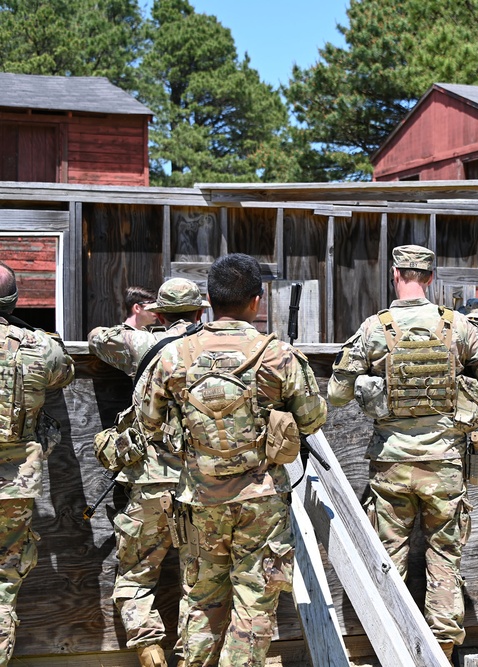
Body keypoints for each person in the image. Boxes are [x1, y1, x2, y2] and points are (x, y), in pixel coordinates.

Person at [137, 254, 328, 667]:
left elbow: (147, 424)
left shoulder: (174, 355)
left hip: (199, 500)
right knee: (255, 603)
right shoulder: (277, 355)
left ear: (208, 298)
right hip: (261, 501)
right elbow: (312, 418)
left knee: (202, 599)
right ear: (257, 301)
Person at [328, 245, 478, 662]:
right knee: (445, 556)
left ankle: (387, 647)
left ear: (396, 274)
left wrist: (372, 380)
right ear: (430, 278)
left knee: (386, 558)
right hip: (445, 463)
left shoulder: (375, 328)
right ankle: (442, 651)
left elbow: (336, 395)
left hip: (391, 463)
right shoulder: (458, 326)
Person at [88, 278, 207, 667]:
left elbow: (97, 338)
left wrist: (139, 328)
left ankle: (148, 645)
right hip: (205, 484)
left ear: (158, 313)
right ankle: (195, 654)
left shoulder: (145, 345)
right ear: (200, 312)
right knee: (201, 581)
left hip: (152, 481)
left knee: (137, 574)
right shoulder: (215, 349)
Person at [0, 261, 74, 665]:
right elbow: (65, 371)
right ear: (13, 300)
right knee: (3, 585)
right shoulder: (36, 346)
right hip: (14, 485)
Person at [88, 286, 159, 377]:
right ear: (137, 308)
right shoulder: (119, 338)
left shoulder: (148, 335)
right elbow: (95, 336)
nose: (156, 310)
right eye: (152, 304)